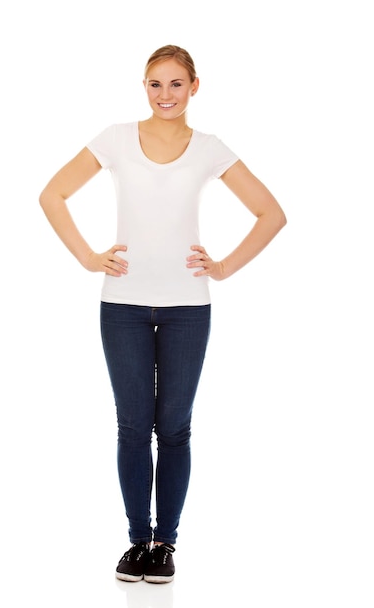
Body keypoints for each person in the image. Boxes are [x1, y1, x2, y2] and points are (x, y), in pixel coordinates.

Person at [39, 44, 286, 584]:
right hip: (122, 305)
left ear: (195, 87)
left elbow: (272, 214)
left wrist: (222, 267)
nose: (165, 94)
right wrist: (87, 256)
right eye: (156, 83)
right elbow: (53, 194)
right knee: (132, 427)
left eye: (177, 84)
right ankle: (136, 541)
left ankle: (165, 543)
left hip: (187, 308)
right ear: (144, 87)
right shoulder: (115, 139)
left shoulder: (210, 149)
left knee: (173, 428)